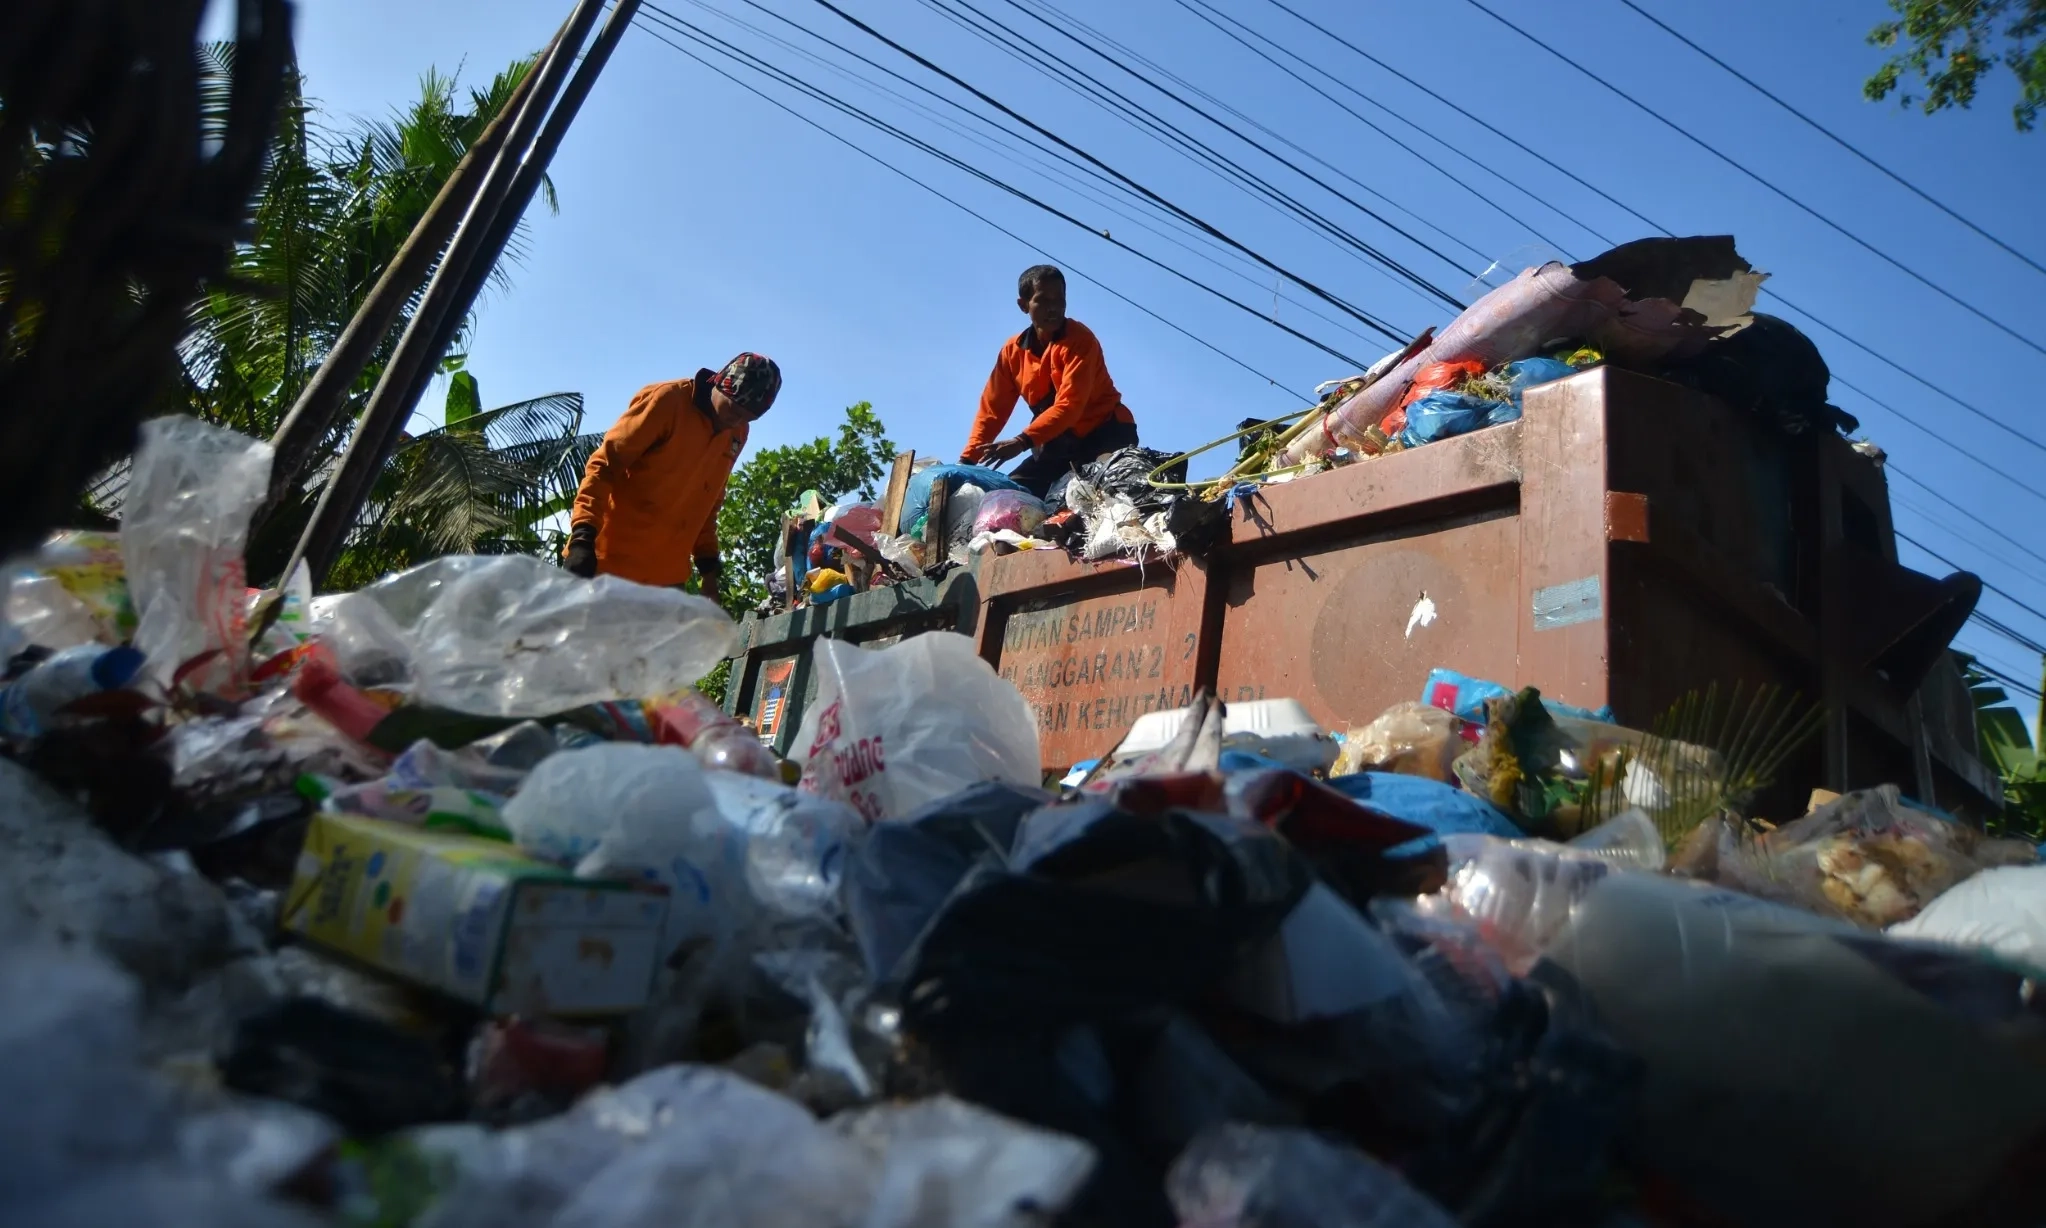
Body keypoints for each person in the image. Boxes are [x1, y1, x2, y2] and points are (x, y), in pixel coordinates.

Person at [561, 352, 782, 602]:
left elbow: (707, 501)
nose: (737, 421)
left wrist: (708, 572)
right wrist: (582, 537)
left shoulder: (737, 432)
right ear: (721, 384)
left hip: (665, 583)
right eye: (734, 409)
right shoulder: (668, 402)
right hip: (605, 567)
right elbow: (604, 467)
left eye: (749, 417)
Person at [963, 264, 1137, 497]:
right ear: (1024, 305)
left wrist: (1021, 441)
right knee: (1008, 495)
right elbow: (992, 410)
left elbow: (1069, 406)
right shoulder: (1012, 352)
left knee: (1109, 486)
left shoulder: (1080, 340)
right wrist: (968, 460)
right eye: (1043, 300)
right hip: (1058, 443)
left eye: (1060, 300)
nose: (1054, 308)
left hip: (1106, 432)